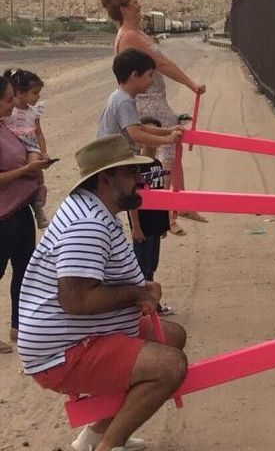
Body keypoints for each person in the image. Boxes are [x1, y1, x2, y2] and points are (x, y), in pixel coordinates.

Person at [17, 135, 188, 451]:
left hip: (70, 337)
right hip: (62, 350)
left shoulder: (91, 210)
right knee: (170, 366)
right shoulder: (88, 224)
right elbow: (76, 300)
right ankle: (108, 446)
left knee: (171, 336)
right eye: (130, 173)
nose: (140, 179)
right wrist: (137, 294)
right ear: (106, 177)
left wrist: (138, 291)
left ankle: (93, 438)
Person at [101, 0, 207, 235]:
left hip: (157, 98)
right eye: (135, 2)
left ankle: (179, 204)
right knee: (166, 152)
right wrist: (190, 84)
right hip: (150, 101)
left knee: (173, 147)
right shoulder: (129, 36)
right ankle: (166, 213)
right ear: (125, 9)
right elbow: (162, 64)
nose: (140, 5)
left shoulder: (136, 33)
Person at [0, 74, 51, 352]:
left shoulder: (5, 127)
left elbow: (28, 144)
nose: (12, 106)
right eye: (8, 100)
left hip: (20, 212)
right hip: (3, 218)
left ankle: (20, 327)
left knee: (25, 272)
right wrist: (25, 171)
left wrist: (35, 161)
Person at [97, 49, 183, 152]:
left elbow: (139, 127)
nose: (152, 81)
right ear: (135, 75)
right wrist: (167, 139)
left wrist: (168, 131)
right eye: (150, 75)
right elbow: (136, 135)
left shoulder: (119, 96)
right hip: (115, 158)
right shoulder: (124, 101)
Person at [130, 117, 174, 316]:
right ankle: (141, 307)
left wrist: (164, 222)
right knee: (141, 266)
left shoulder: (156, 163)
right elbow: (133, 200)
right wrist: (135, 226)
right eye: (150, 135)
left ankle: (151, 305)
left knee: (152, 264)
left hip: (156, 223)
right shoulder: (136, 167)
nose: (155, 140)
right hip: (144, 225)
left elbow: (161, 194)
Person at [2, 68, 50, 228]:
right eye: (10, 100)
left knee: (36, 169)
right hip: (6, 216)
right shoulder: (9, 116)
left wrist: (43, 153)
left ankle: (38, 199)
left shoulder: (30, 113)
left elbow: (39, 133)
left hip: (29, 145)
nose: (12, 105)